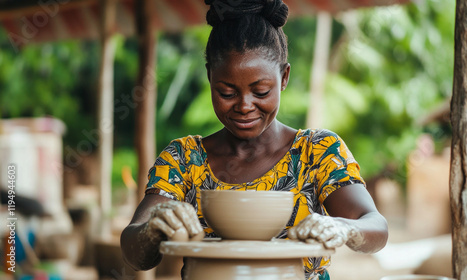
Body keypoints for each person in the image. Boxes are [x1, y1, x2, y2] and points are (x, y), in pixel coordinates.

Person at [121, 1, 388, 279]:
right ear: (210, 76)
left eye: (260, 91)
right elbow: (133, 254)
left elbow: (376, 227)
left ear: (284, 77)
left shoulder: (317, 152)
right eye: (227, 92)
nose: (245, 106)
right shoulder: (184, 159)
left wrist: (344, 228)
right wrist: (153, 228)